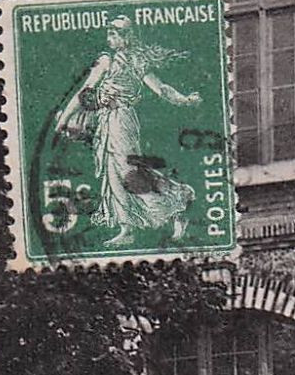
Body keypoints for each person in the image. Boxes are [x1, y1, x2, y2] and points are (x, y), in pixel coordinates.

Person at [54, 17, 201, 246]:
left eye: (115, 34)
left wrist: (184, 100)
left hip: (122, 120)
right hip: (105, 121)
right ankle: (128, 228)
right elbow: (84, 92)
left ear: (127, 36)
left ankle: (174, 210)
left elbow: (160, 88)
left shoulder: (136, 61)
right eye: (109, 34)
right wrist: (64, 119)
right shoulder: (106, 61)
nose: (110, 39)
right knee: (113, 173)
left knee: (127, 173)